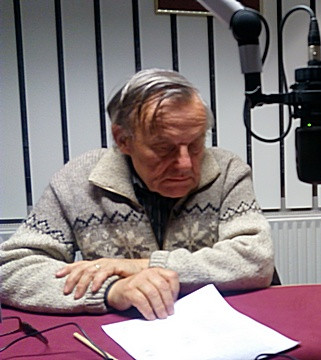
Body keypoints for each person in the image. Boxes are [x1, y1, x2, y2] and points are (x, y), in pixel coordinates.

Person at [0, 69, 275, 320]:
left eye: (195, 144)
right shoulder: (78, 181)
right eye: (164, 148)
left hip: (220, 329)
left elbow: (256, 261)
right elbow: (10, 269)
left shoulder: (228, 171)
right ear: (123, 140)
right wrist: (112, 290)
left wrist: (144, 266)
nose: (185, 164)